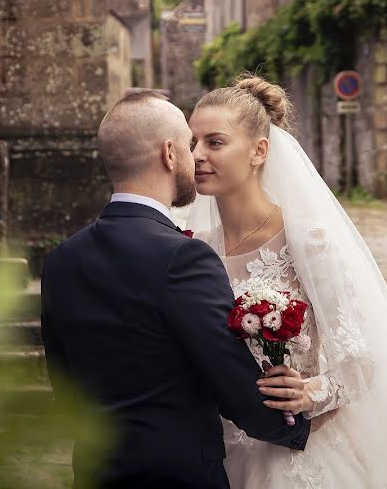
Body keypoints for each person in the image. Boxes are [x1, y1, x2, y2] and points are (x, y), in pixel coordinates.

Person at [185, 74, 387, 488]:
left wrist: (309, 392)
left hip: (299, 453)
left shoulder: (308, 243)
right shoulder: (195, 249)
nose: (197, 155)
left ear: (258, 151)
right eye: (191, 142)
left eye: (214, 142)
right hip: (218, 453)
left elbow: (363, 360)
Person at [41, 91, 311, 489]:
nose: (197, 156)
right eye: (189, 144)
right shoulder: (184, 257)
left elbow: (63, 381)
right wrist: (297, 428)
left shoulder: (62, 259)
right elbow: (230, 377)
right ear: (170, 154)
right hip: (179, 473)